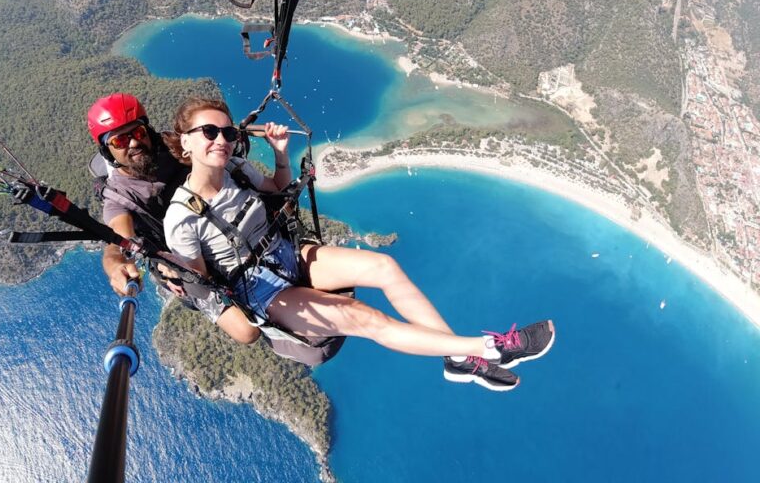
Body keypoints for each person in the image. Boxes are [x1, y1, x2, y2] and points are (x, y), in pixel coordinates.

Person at [162, 97, 555, 391]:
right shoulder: (181, 218)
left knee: (383, 267)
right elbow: (206, 283)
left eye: (228, 132)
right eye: (209, 133)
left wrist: (281, 157)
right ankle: (487, 349)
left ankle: (456, 359)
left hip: (285, 254)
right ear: (186, 143)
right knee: (365, 318)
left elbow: (279, 190)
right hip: (260, 291)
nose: (223, 140)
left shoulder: (237, 168)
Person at [86, 92, 260, 345]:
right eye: (120, 140)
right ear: (107, 150)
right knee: (247, 332)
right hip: (184, 262)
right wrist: (115, 266)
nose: (133, 144)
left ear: (148, 131)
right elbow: (117, 239)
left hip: (225, 226)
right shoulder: (119, 194)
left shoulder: (174, 146)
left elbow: (210, 141)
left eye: (137, 133)